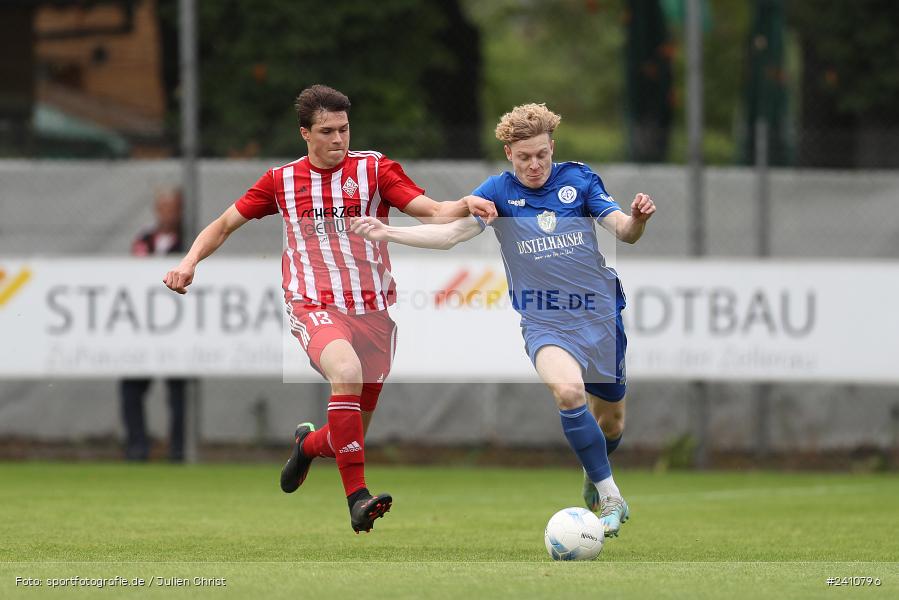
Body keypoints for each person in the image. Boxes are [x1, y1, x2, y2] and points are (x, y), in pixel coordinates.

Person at [163, 84, 488, 533]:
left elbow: (432, 212)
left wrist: (464, 204)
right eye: (327, 131)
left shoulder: (374, 169)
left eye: (344, 129)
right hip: (313, 304)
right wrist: (188, 262)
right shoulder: (281, 181)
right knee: (346, 372)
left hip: (374, 312)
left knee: (345, 437)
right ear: (305, 133)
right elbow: (223, 225)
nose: (339, 139)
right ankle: (358, 499)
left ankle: (308, 446)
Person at [351, 103, 655, 537]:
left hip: (600, 315)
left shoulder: (579, 180)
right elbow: (450, 234)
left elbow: (624, 231)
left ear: (552, 148)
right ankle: (611, 496)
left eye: (542, 155)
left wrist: (638, 219)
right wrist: (389, 232)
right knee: (569, 392)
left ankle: (595, 470)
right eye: (524, 157)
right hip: (544, 320)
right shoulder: (497, 191)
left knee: (611, 424)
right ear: (509, 153)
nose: (534, 165)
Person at [122, 189, 187, 462]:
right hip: (145, 326)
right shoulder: (144, 239)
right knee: (131, 387)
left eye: (172, 208)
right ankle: (137, 447)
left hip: (179, 329)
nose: (167, 214)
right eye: (163, 208)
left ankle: (179, 450)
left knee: (179, 393)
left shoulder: (189, 240)